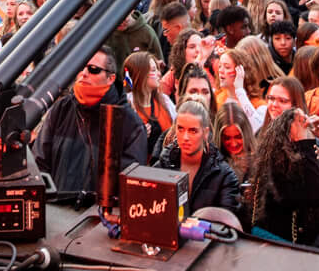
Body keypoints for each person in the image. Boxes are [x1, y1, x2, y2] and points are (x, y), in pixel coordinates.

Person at [33, 48, 148, 207]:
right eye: (81, 67)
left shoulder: (130, 124)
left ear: (110, 78)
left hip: (97, 221)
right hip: (55, 213)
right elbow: (39, 164)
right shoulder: (61, 109)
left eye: (93, 69)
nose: (84, 73)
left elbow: (129, 185)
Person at [246, 110, 319, 245]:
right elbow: (317, 196)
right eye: (300, 122)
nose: (306, 125)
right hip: (282, 250)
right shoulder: (275, 169)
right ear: (288, 136)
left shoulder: (310, 164)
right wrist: (306, 145)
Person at [156, 99, 246, 220]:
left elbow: (228, 226)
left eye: (193, 131)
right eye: (180, 129)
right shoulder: (162, 165)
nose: (185, 137)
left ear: (205, 132)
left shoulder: (225, 176)